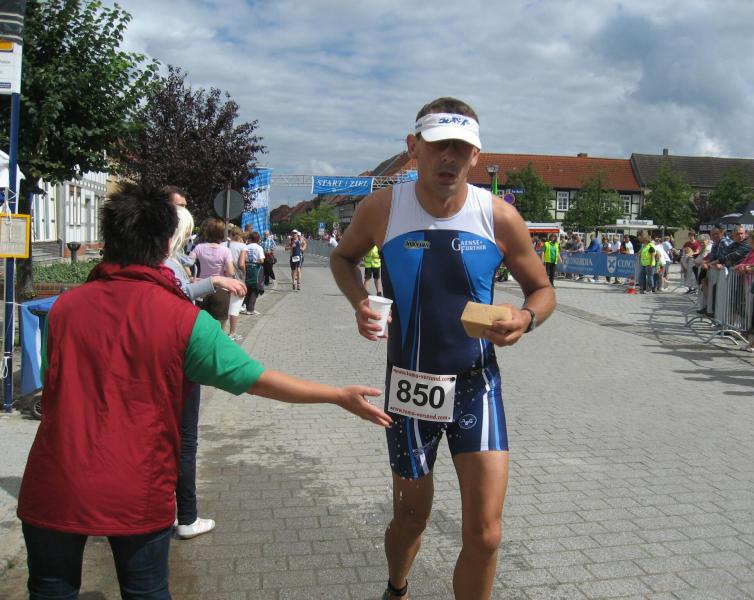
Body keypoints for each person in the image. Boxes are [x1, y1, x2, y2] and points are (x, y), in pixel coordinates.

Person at [16, 183, 392, 599]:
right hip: (137, 488)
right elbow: (256, 379)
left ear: (108, 240)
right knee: (145, 591)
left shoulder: (65, 309)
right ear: (166, 243)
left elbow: (53, 387)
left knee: (49, 591)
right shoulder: (184, 320)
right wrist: (336, 395)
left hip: (54, 483)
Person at [329, 97, 556, 600]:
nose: (449, 157)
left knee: (487, 534)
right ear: (414, 148)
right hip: (411, 388)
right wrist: (360, 301)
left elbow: (543, 290)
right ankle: (397, 588)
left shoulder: (498, 216)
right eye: (438, 146)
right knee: (412, 519)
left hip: (477, 384)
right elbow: (343, 259)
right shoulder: (382, 208)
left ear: (476, 155)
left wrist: (526, 318)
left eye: (461, 147)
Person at [165, 205, 246, 540]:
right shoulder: (165, 262)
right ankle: (186, 516)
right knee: (185, 441)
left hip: (178, 338)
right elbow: (172, 293)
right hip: (178, 352)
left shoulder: (178, 256)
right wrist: (213, 281)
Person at [189, 219, 235, 329]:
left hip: (203, 287)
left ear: (207, 232)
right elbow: (230, 272)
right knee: (220, 324)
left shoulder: (199, 247)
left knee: (202, 322)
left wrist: (191, 276)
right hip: (220, 289)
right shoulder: (225, 251)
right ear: (222, 233)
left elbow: (187, 262)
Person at [226, 226, 247, 340]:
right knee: (235, 306)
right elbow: (241, 264)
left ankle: (221, 331)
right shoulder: (242, 246)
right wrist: (244, 274)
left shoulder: (223, 244)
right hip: (236, 278)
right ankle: (232, 332)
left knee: (224, 306)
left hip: (223, 278)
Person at [244, 231, 266, 315]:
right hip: (255, 268)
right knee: (255, 288)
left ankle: (246, 307)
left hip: (246, 267)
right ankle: (251, 309)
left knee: (248, 287)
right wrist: (255, 261)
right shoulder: (259, 247)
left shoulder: (246, 246)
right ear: (258, 239)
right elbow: (261, 260)